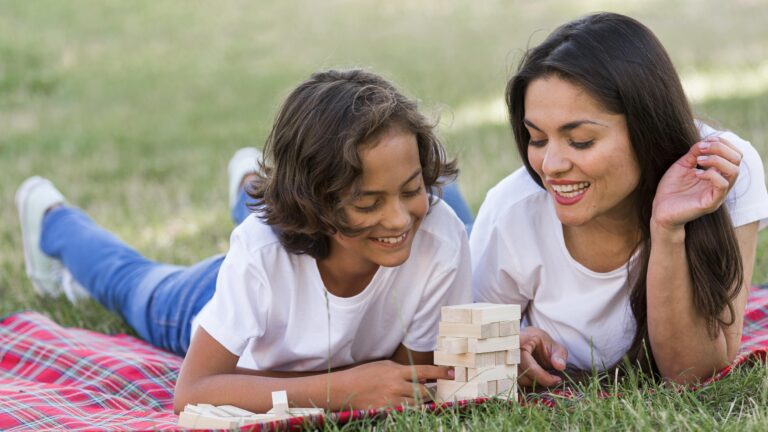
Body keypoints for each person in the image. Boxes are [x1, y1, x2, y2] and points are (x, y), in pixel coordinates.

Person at [15, 69, 473, 413]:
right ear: (314, 201)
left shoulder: (439, 236)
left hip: (278, 294)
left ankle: (251, 182)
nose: (399, 217)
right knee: (131, 283)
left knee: (282, 215)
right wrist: (339, 390)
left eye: (412, 190)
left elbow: (400, 379)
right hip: (215, 303)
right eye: (368, 202)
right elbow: (193, 392)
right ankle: (51, 217)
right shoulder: (262, 253)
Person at [471, 12, 768, 387]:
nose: (550, 166)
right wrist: (506, 348)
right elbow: (463, 354)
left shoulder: (722, 172)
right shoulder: (513, 209)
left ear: (648, 126)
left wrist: (667, 227)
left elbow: (693, 374)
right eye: (537, 138)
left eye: (580, 140)